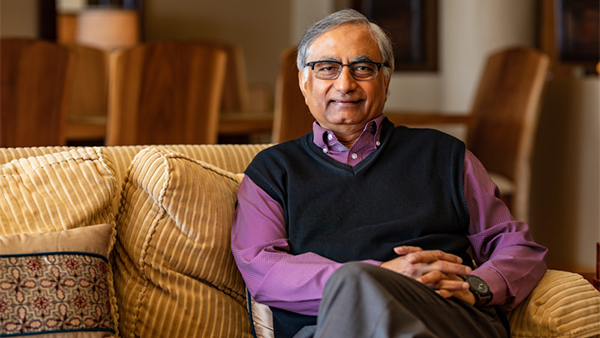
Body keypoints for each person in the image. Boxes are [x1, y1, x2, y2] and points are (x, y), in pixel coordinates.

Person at [232, 9, 547, 338]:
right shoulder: (272, 170)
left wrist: (479, 285)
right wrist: (380, 276)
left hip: (441, 313)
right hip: (326, 325)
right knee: (353, 287)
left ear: (385, 79)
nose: (345, 84)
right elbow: (263, 270)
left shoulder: (445, 156)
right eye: (327, 68)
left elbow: (519, 247)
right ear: (303, 81)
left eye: (363, 68)